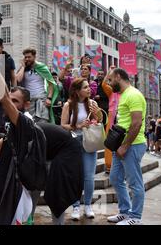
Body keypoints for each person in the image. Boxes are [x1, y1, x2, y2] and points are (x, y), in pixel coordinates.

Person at [0, 39, 83, 225]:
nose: (11, 104)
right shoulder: (11, 128)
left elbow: (4, 97)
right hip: (16, 180)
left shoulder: (25, 123)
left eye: (16, 102)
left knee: (51, 199)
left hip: (54, 161)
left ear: (26, 105)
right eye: (12, 101)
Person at [106, 68, 147, 225]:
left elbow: (136, 123)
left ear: (118, 77)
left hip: (132, 145)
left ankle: (135, 217)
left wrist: (125, 145)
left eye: (110, 80)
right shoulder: (123, 95)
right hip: (121, 145)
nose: (109, 84)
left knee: (135, 183)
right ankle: (124, 211)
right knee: (115, 178)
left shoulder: (133, 94)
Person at [61, 78, 101, 221]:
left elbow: (99, 121)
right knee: (75, 176)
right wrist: (78, 126)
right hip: (74, 142)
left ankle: (88, 205)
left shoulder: (92, 103)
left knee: (89, 177)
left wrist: (96, 116)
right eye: (85, 87)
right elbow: (63, 125)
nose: (89, 89)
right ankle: (76, 206)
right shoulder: (69, 105)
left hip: (89, 142)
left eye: (88, 87)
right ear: (77, 91)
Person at [16, 48, 58, 123]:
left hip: (41, 99)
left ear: (34, 57)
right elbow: (18, 80)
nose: (27, 59)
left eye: (29, 57)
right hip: (29, 101)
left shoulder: (42, 67)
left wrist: (49, 98)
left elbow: (51, 83)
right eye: (25, 57)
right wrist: (23, 66)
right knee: (30, 123)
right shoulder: (23, 68)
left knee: (43, 123)